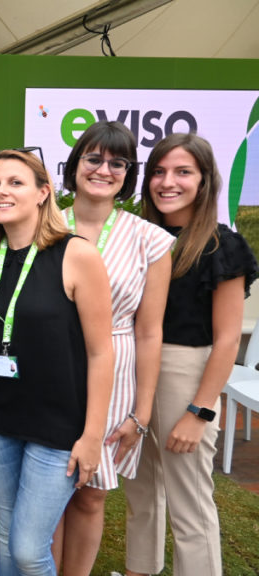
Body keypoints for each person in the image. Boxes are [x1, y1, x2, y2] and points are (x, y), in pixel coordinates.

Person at [0, 149, 114, 576]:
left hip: (57, 428)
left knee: (29, 548)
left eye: (16, 183)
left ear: (42, 193)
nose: (2, 192)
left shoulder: (75, 254)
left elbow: (101, 352)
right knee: (5, 531)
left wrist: (93, 436)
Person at [124, 133, 257, 576]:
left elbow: (226, 341)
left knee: (189, 504)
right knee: (140, 493)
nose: (168, 182)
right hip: (134, 369)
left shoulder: (222, 245)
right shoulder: (137, 237)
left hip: (186, 372)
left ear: (205, 181)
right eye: (159, 171)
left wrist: (199, 411)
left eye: (183, 172)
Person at [50, 122, 174, 575]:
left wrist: (140, 414)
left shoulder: (151, 240)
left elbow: (150, 331)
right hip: (52, 367)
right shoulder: (45, 223)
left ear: (128, 174)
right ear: (74, 165)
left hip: (117, 371)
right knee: (49, 490)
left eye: (117, 163)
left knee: (91, 492)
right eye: (94, 159)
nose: (104, 170)